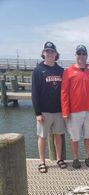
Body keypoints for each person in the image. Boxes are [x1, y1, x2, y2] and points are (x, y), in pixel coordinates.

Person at [32, 41, 67, 173]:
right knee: (42, 137)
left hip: (58, 111)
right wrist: (37, 113)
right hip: (44, 112)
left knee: (58, 136)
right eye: (47, 51)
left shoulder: (61, 70)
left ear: (56, 54)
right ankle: (42, 161)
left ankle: (59, 159)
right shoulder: (38, 70)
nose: (50, 54)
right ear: (43, 54)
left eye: (52, 52)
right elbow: (34, 93)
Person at [61, 44, 89, 169]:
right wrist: (65, 111)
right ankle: (75, 158)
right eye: (79, 53)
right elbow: (64, 93)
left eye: (83, 54)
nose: (81, 56)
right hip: (74, 111)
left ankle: (87, 157)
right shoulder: (68, 71)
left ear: (86, 56)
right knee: (74, 137)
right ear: (75, 55)